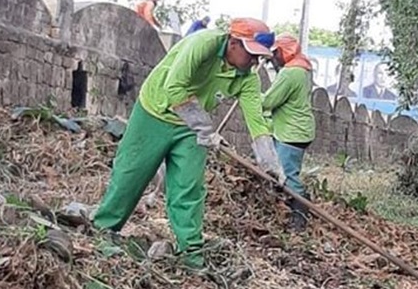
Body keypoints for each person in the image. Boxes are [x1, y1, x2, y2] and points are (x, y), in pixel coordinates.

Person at [93, 18, 285, 271]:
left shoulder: (247, 78)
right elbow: (174, 86)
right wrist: (206, 130)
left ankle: (191, 254)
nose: (254, 62)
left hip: (191, 128)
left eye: (259, 57)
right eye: (251, 54)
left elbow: (257, 122)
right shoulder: (202, 43)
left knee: (188, 188)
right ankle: (103, 231)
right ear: (234, 43)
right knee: (131, 174)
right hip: (155, 111)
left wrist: (270, 162)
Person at [262, 34, 316, 231]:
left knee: (288, 176)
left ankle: (299, 217)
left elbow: (269, 101)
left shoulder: (290, 73)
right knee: (285, 172)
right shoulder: (303, 69)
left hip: (291, 133)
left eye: (275, 53)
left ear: (285, 52)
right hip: (298, 131)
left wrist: (247, 96)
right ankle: (291, 208)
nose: (273, 58)